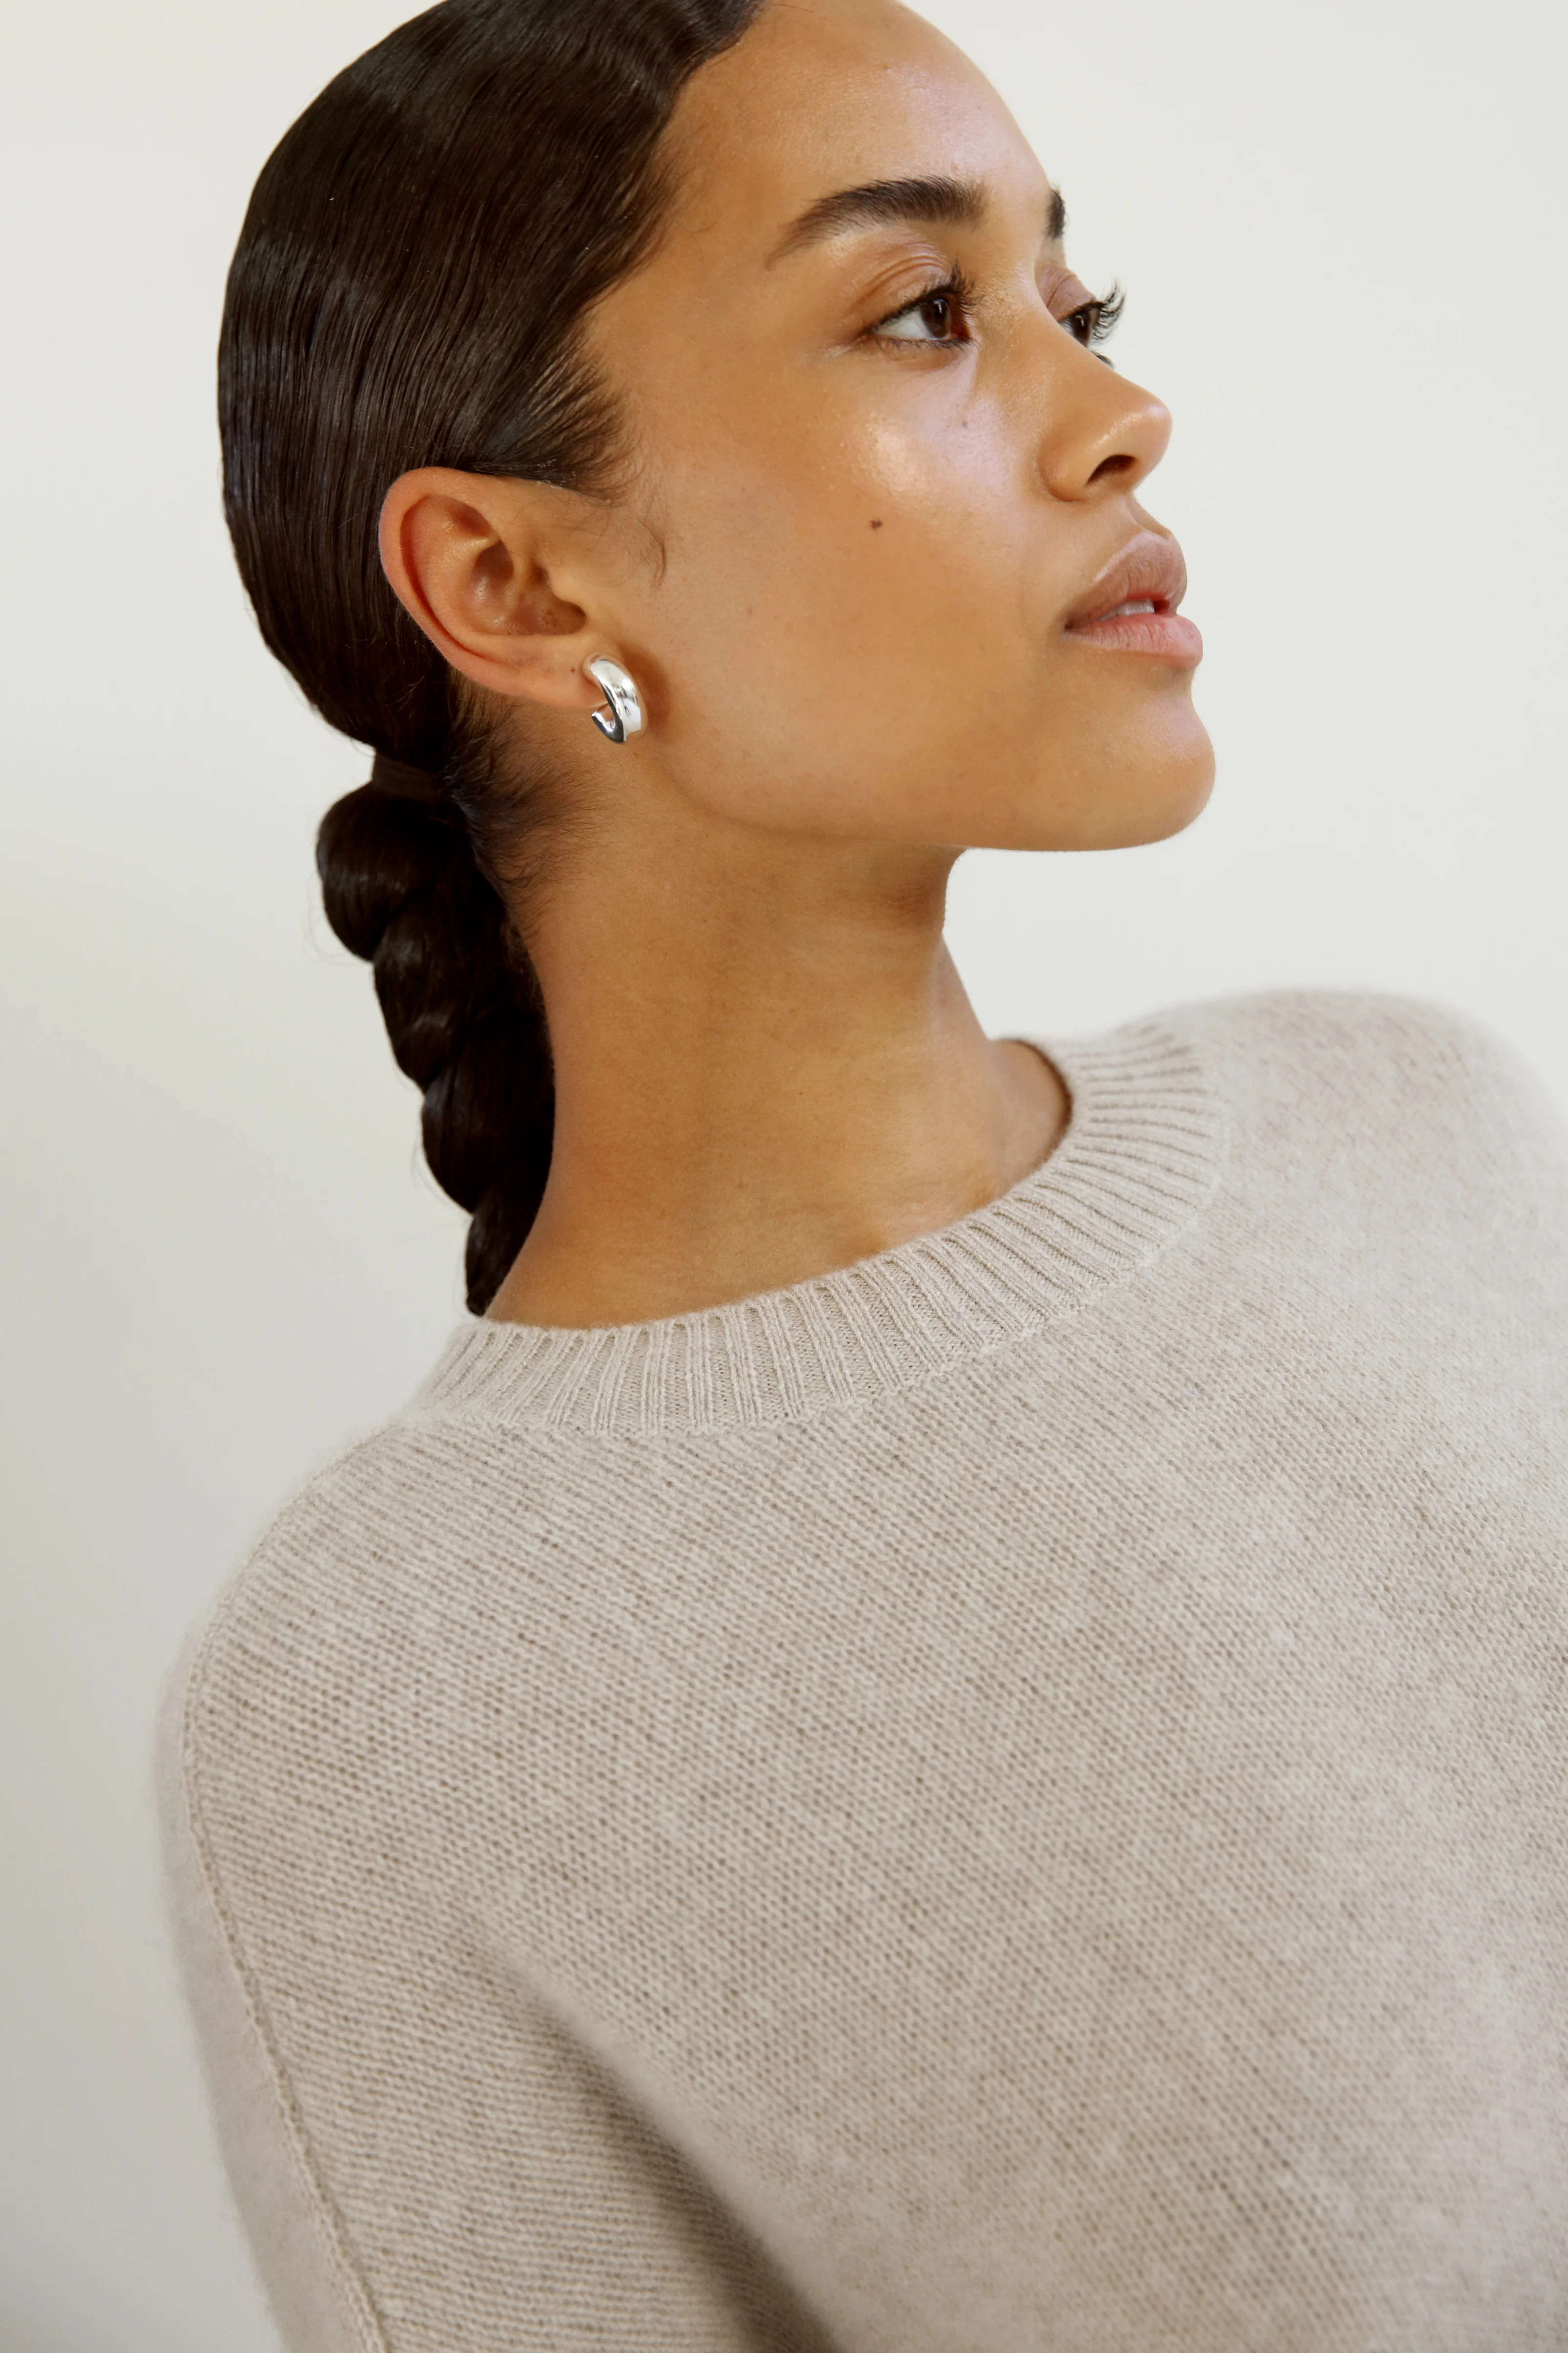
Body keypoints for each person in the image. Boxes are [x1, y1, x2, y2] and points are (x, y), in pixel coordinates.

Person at [156, 0, 1568, 2342]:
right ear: (515, 585)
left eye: (1075, 299)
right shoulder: (382, 1707)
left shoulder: (1417, 1132)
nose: (1121, 409)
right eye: (920, 310)